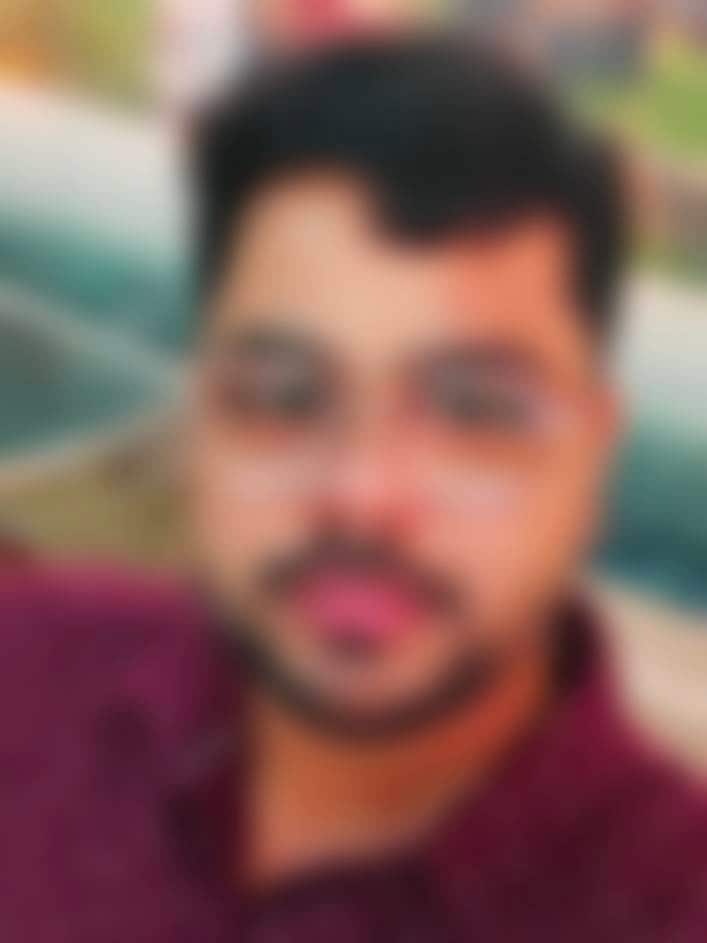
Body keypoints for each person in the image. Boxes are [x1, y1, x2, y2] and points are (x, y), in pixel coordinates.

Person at [2, 35, 706, 942]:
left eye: (475, 410)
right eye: (284, 396)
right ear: (201, 417)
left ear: (592, 455)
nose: (362, 495)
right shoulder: (28, 670)